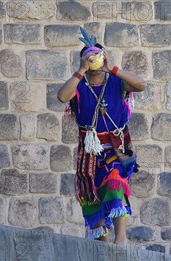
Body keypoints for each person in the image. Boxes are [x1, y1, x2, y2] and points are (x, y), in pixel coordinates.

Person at [57, 29, 146, 244]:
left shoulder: (115, 81)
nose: (93, 59)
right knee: (91, 194)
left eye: (96, 55)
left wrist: (112, 68)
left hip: (116, 146)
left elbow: (141, 85)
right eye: (88, 56)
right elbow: (62, 96)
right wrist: (81, 69)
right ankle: (102, 242)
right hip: (90, 150)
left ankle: (121, 239)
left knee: (115, 180)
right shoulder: (79, 85)